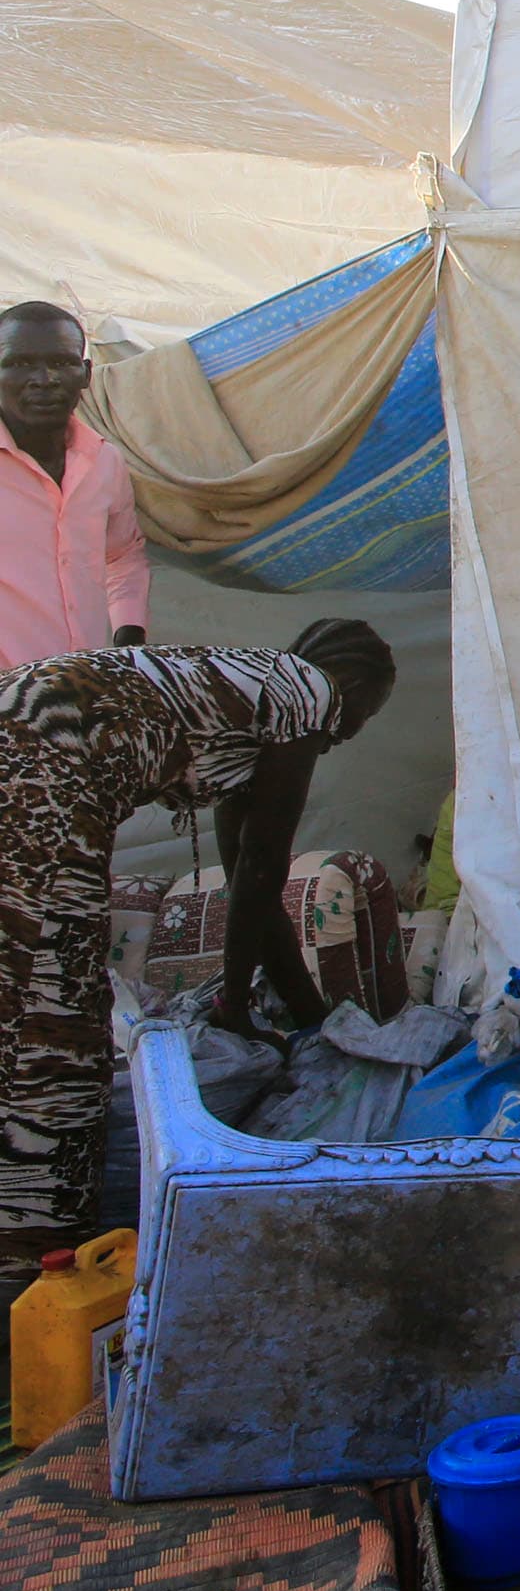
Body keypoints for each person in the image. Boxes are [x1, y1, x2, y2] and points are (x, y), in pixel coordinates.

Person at [0, 624, 395, 1290]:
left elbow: (246, 874)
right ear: (348, 686)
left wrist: (310, 1020)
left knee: (23, 992)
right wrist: (235, 1004)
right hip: (45, 766)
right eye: (365, 713)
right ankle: (30, 1269)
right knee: (52, 1027)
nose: (349, 731)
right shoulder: (307, 693)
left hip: (25, 727)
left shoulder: (244, 696)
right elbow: (264, 868)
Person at [0, 302, 148, 672]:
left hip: (83, 692)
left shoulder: (104, 462)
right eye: (19, 364)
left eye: (62, 362)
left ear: (85, 374)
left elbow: (122, 555)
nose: (44, 378)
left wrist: (128, 639)